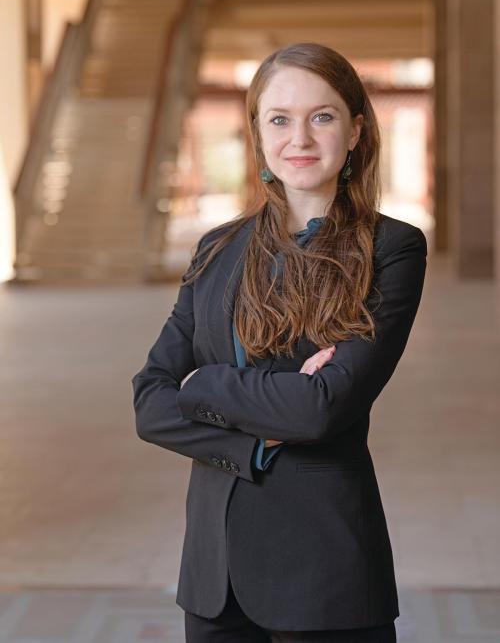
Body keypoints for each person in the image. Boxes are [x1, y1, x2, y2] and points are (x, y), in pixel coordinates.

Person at [131, 42, 427, 642]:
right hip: (214, 578)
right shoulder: (216, 249)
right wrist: (255, 438)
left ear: (355, 131)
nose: (301, 138)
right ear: (258, 133)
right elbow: (150, 403)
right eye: (279, 119)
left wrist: (204, 385)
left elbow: (321, 409)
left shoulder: (392, 249)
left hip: (325, 574)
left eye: (322, 116)